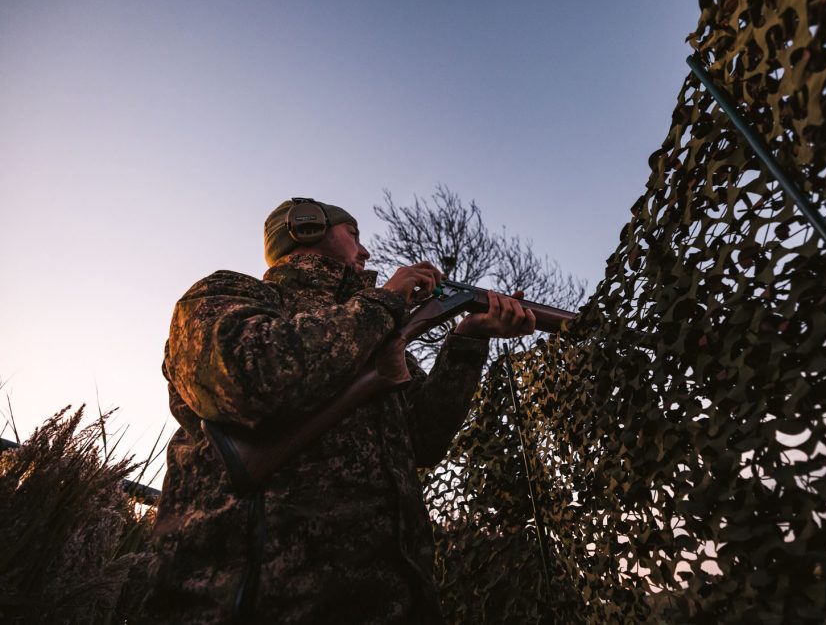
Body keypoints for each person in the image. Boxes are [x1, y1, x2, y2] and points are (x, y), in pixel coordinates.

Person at [143, 197, 535, 624]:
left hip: (390, 602)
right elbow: (250, 377)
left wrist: (468, 341)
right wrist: (384, 303)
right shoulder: (228, 293)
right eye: (354, 234)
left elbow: (423, 439)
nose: (365, 252)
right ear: (305, 228)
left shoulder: (381, 332)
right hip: (254, 601)